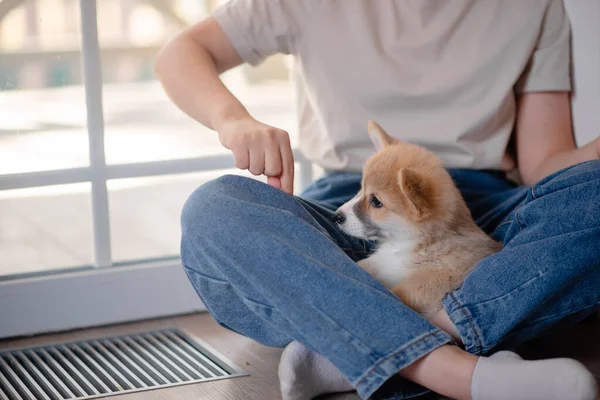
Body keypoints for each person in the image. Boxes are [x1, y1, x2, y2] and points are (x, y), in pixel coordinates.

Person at [155, 1, 600, 399]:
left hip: (484, 226)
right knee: (216, 208)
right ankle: (454, 369)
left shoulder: (534, 6)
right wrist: (232, 120)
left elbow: (546, 163)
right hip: (345, 213)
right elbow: (182, 52)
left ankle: (348, 350)